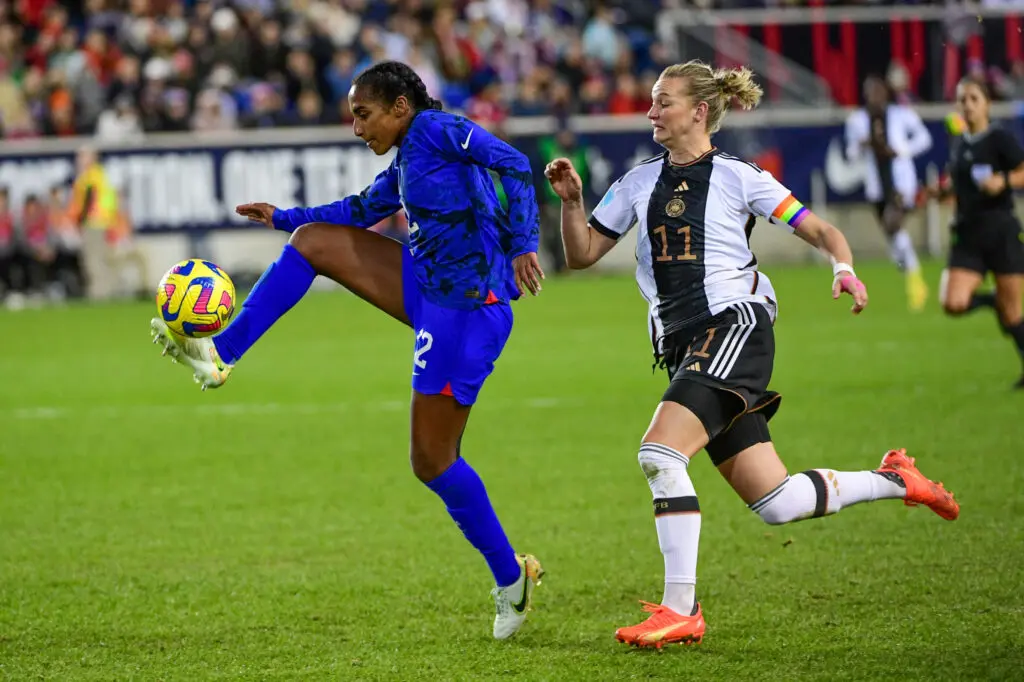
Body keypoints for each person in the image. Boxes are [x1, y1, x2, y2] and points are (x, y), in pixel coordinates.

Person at [544, 60, 960, 649]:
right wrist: (571, 201)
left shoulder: (739, 176)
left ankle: (680, 609)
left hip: (733, 325)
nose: (651, 111)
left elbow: (822, 231)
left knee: (660, 453)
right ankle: (896, 479)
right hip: (685, 345)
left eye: (664, 101)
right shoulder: (638, 182)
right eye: (653, 101)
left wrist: (843, 269)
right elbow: (582, 253)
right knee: (778, 501)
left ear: (699, 112)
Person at [150, 61, 546, 640]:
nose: (358, 128)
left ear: (400, 108)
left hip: (469, 309)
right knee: (311, 241)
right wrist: (283, 217)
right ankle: (220, 354)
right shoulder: (407, 157)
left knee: (432, 460)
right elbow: (360, 210)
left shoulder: (439, 130)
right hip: (429, 286)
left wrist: (524, 243)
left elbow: (513, 162)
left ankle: (512, 577)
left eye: (364, 115)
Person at [928, 76, 1024, 388]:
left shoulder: (999, 138)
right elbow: (959, 184)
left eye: (973, 99)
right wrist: (942, 192)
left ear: (987, 105)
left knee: (1013, 315)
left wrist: (1004, 182)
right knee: (952, 302)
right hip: (968, 235)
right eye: (962, 99)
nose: (967, 105)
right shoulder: (960, 143)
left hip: (1001, 232)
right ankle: (993, 299)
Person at [845, 75, 932, 311]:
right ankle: (906, 267)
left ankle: (915, 279)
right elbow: (850, 154)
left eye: (877, 91)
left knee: (893, 223)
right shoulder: (857, 121)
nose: (873, 96)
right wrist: (861, 145)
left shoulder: (901, 115)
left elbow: (924, 138)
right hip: (877, 186)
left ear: (885, 93)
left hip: (901, 183)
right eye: (869, 92)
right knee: (891, 234)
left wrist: (902, 150)